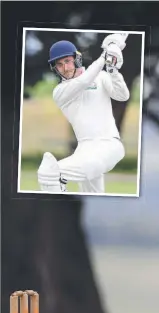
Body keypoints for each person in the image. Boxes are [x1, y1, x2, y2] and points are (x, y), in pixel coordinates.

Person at [37, 34, 130, 194]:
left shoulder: (101, 77)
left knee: (49, 174)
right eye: (59, 65)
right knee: (93, 195)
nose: (65, 68)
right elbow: (83, 81)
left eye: (67, 61)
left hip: (108, 145)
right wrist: (104, 57)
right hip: (84, 150)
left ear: (77, 59)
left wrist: (113, 70)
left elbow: (123, 96)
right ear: (55, 69)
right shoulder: (60, 92)